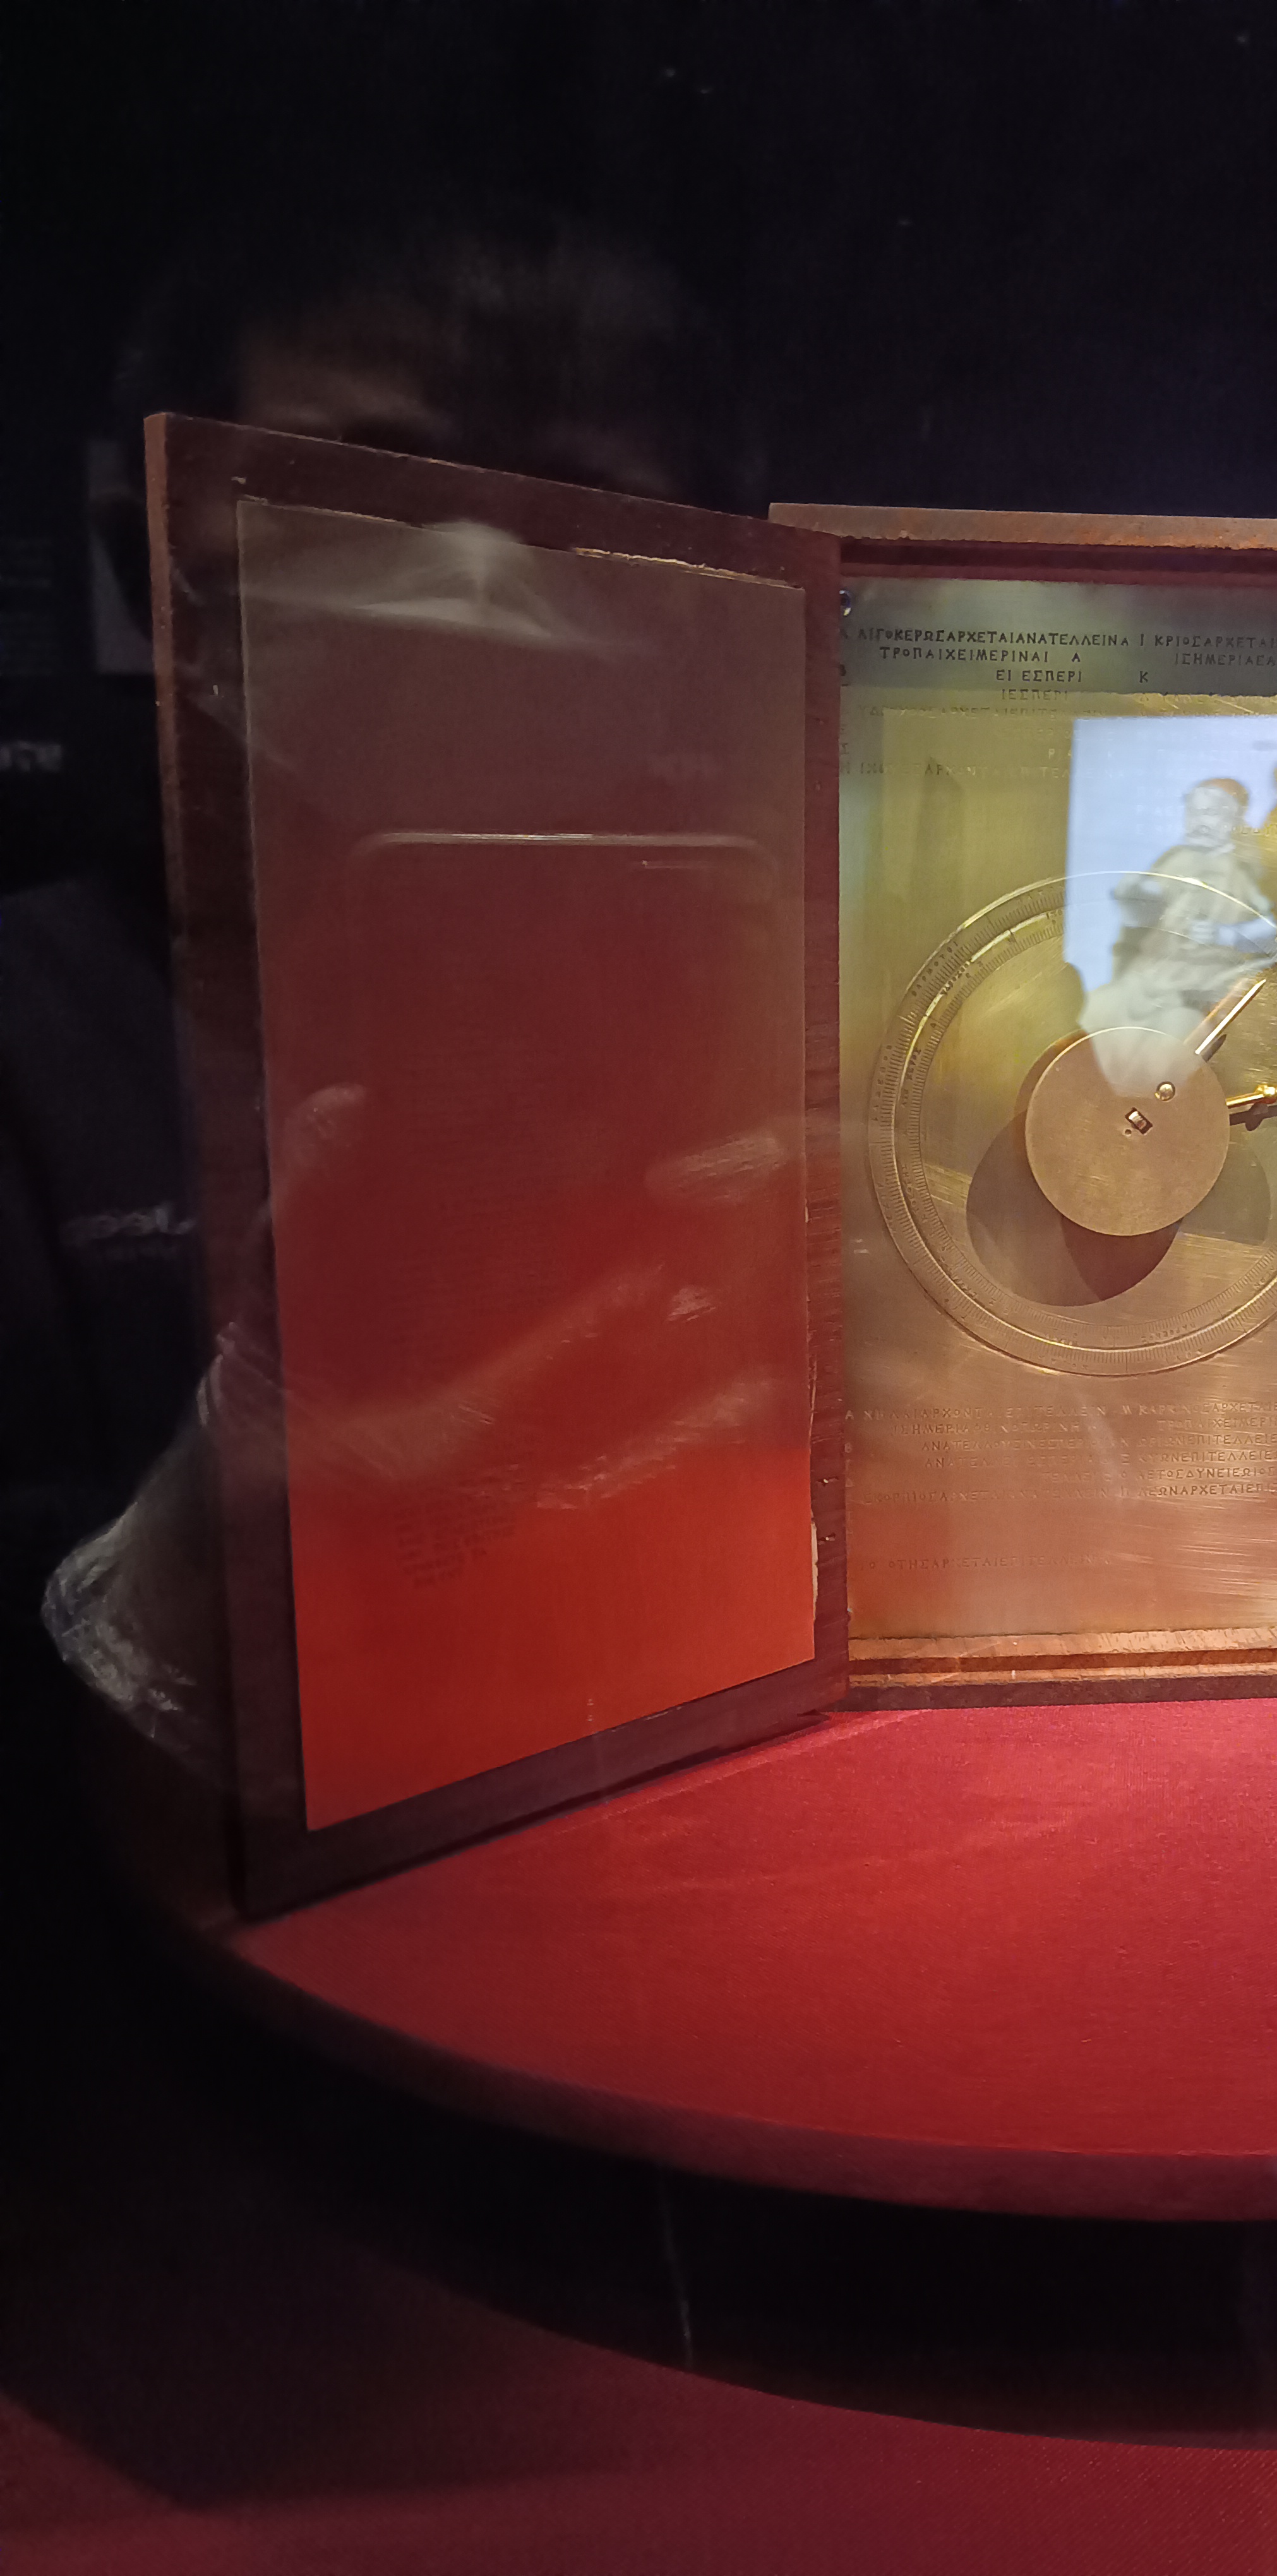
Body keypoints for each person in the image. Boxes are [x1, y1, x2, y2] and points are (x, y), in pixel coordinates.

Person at [2, 189, 747, 1748]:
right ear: (154, 549)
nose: (476, 572)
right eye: (366, 484)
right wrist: (195, 1565)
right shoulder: (28, 1033)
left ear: (710, 602)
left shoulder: (767, 1018)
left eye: (581, 508)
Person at [1080, 777, 1277, 1037]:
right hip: (1156, 973)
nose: (1199, 822)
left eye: (1210, 813)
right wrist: (1137, 897)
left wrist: (1225, 935)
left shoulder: (1241, 871)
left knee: (1174, 1035)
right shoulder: (1176, 861)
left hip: (1208, 981)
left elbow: (1270, 927)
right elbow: (1149, 904)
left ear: (1234, 820)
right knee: (1099, 1010)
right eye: (1193, 812)